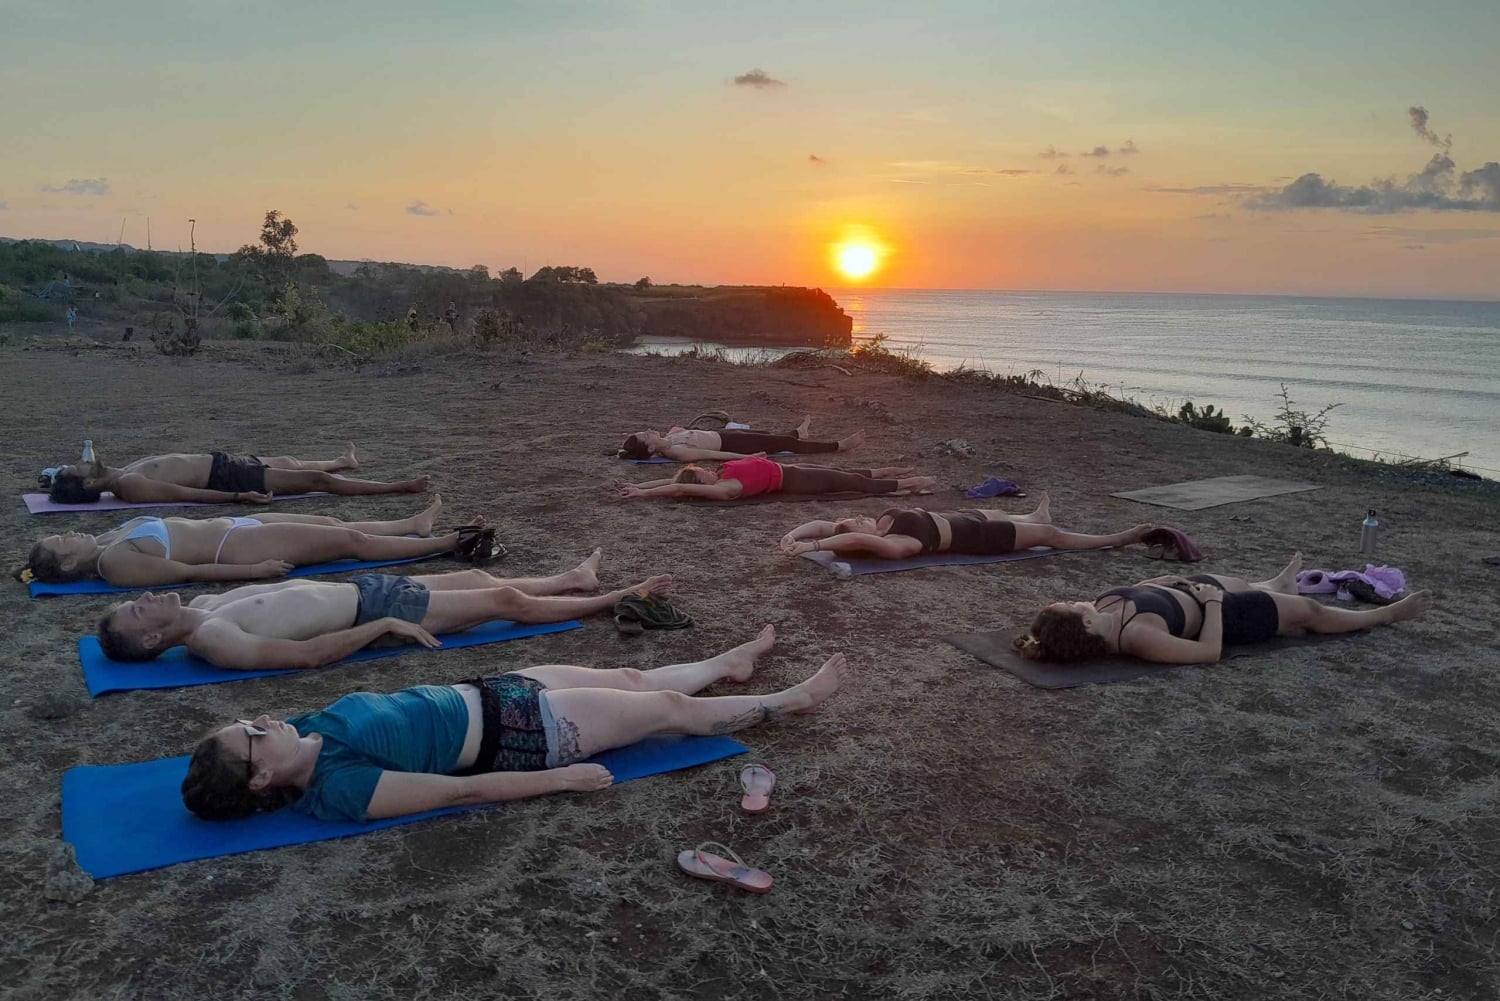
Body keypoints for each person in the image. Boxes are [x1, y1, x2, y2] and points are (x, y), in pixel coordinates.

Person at [178, 625, 847, 822]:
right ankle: (792, 700)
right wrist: (561, 779)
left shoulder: (304, 726)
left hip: (495, 691)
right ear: (263, 774)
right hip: (526, 736)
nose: (265, 719)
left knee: (635, 682)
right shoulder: (339, 788)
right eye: (253, 733)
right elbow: (458, 791)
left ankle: (725, 663)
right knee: (666, 716)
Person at [95, 552, 669, 668]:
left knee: (473, 575)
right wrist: (383, 627)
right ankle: (615, 597)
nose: (146, 598)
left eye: (137, 599)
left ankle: (571, 578)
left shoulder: (202, 605)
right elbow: (307, 655)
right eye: (140, 613)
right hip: (373, 609)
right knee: (503, 602)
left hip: (364, 587)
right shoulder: (213, 640)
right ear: (152, 644)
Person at [1012, 553, 1434, 665]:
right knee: (1309, 610)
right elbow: (1208, 652)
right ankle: (1384, 614)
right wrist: (1212, 605)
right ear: (1086, 622)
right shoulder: (1138, 637)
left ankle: (1275, 583)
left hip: (1195, 593)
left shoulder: (1103, 605)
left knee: (1234, 580)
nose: (1072, 598)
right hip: (1225, 613)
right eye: (1069, 604)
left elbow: (1139, 589)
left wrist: (1166, 583)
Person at [19, 496, 465, 588]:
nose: (71, 531)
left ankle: (412, 524)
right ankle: (441, 543)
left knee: (330, 520)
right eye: (63, 539)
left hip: (238, 523)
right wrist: (251, 572)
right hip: (236, 549)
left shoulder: (104, 538)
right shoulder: (114, 564)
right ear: (69, 564)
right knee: (349, 541)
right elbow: (188, 573)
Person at [777, 493, 1155, 559]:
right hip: (982, 538)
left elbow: (822, 524)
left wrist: (795, 535)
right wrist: (813, 549)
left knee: (1018, 517)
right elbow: (851, 537)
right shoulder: (896, 544)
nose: (857, 518)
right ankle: (1115, 539)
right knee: (1050, 538)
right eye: (852, 523)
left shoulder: (878, 525)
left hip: (965, 517)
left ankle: (1033, 517)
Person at [47, 443, 430, 505]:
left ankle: (343, 462)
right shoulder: (126, 484)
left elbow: (88, 457)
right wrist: (237, 497)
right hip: (229, 479)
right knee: (318, 484)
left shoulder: (114, 471)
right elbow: (184, 495)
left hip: (225, 464)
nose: (82, 460)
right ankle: (399, 487)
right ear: (90, 483)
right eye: (77, 467)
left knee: (289, 462)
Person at [619, 454, 935, 502]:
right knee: (853, 483)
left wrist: (640, 484)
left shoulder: (722, 474)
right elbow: (676, 485)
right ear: (699, 484)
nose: (706, 469)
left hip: (795, 471)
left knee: (849, 475)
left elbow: (671, 479)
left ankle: (894, 474)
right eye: (701, 473)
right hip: (797, 481)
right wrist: (643, 494)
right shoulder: (724, 489)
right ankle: (911, 483)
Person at [620, 416, 865, 462]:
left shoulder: (670, 437)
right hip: (732, 445)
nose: (650, 429)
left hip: (726, 435)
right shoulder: (677, 452)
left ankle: (799, 432)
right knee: (786, 446)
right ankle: (839, 446)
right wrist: (747, 457)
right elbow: (713, 455)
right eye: (646, 434)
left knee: (771, 437)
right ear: (650, 447)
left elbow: (682, 430)